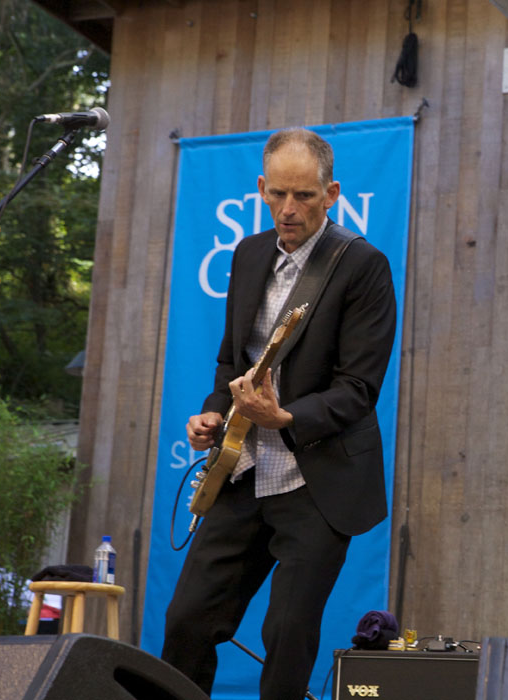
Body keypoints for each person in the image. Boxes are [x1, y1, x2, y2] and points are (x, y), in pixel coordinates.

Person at [161, 127, 396, 699]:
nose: (288, 210)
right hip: (241, 471)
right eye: (278, 195)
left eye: (305, 197)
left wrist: (285, 419)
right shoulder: (247, 255)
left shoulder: (363, 265)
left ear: (332, 192)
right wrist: (214, 413)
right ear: (262, 189)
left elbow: (358, 389)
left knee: (288, 635)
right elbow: (230, 361)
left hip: (314, 480)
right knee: (186, 621)